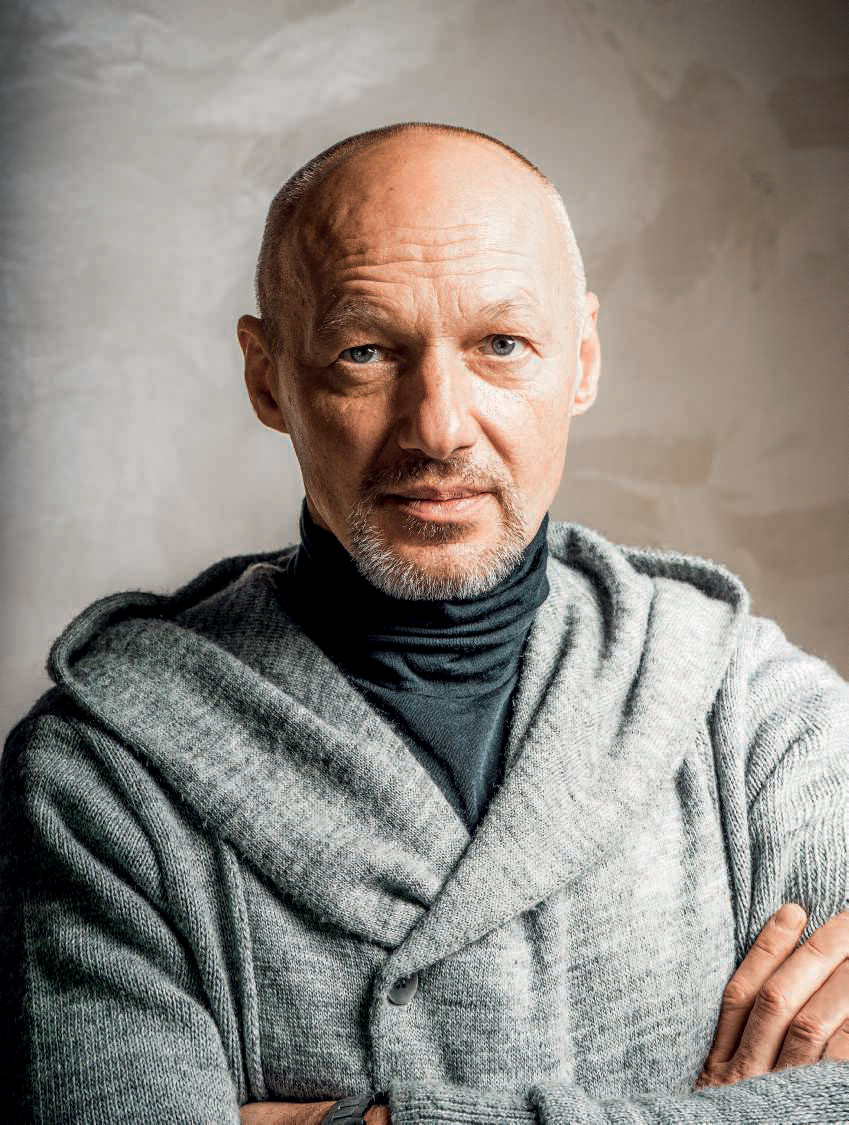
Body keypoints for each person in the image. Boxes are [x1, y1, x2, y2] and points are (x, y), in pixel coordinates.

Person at [1, 122, 847, 1125]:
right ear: (268, 375)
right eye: (365, 352)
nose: (438, 426)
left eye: (501, 345)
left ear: (580, 359)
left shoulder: (755, 714)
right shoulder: (100, 779)